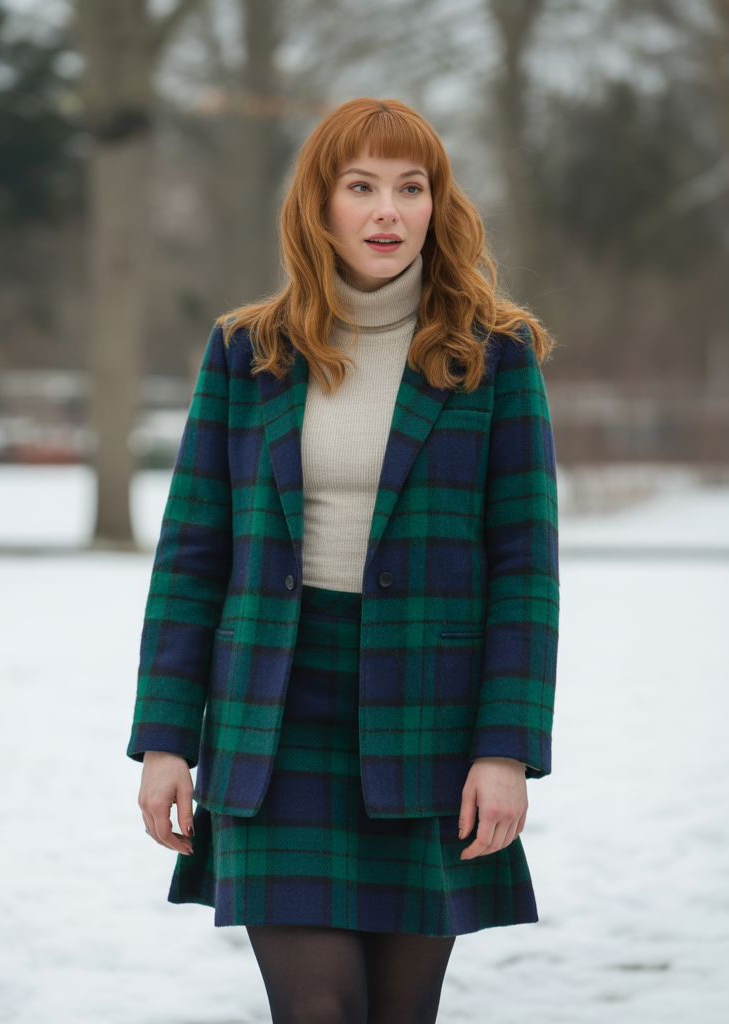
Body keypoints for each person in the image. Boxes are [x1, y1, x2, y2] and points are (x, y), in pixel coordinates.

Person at [128, 96, 559, 1024]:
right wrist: (167, 736)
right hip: (273, 725)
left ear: (438, 205)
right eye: (360, 186)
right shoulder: (248, 352)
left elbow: (525, 564)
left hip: (426, 725)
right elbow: (193, 553)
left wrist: (506, 747)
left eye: (412, 187)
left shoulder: (496, 356)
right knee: (318, 1009)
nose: (387, 211)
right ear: (318, 204)